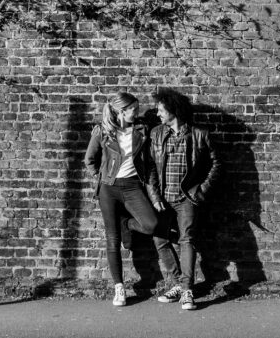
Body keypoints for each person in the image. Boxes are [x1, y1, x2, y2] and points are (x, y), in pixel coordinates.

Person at [84, 92, 161, 307]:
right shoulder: (102, 131)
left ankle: (127, 223)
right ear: (120, 110)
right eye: (133, 110)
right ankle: (119, 288)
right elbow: (89, 160)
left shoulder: (141, 129)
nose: (137, 113)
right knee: (112, 239)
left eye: (137, 109)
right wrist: (101, 178)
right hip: (109, 189)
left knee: (150, 224)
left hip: (133, 186)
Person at [148, 87, 221, 311]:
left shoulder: (199, 135)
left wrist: (201, 191)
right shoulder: (156, 134)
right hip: (163, 199)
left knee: (186, 240)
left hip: (187, 198)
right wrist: (154, 196)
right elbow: (150, 167)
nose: (158, 114)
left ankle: (187, 289)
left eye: (161, 110)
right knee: (160, 239)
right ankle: (179, 283)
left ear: (173, 110)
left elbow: (217, 164)